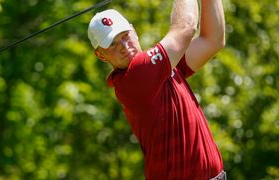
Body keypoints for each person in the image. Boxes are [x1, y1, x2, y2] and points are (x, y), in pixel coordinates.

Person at [87, 0, 225, 179]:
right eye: (112, 43)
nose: (123, 46)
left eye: (125, 35)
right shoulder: (136, 76)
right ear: (100, 55)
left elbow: (212, 40)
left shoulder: (160, 67)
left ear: (134, 31)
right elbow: (186, 26)